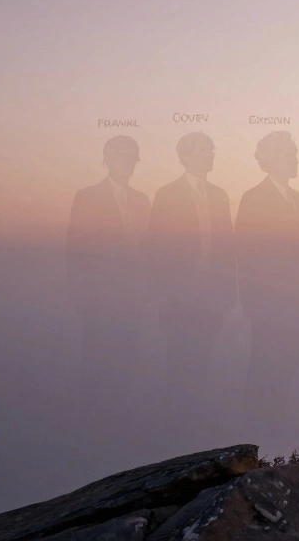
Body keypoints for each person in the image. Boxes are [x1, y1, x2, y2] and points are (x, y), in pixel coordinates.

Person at [146, 132, 235, 430]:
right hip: (180, 299)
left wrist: (228, 292)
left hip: (211, 298)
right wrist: (167, 293)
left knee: (203, 360)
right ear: (184, 157)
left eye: (212, 149)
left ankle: (193, 421)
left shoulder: (220, 195)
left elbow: (227, 246)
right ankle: (174, 422)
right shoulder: (167, 194)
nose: (210, 154)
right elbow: (157, 245)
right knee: (179, 361)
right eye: (203, 150)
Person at [65, 135, 151, 426]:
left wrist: (146, 290)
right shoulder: (87, 197)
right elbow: (76, 249)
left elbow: (148, 249)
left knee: (127, 358)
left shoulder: (142, 201)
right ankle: (91, 419)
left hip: (132, 299)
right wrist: (81, 295)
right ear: (107, 160)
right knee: (96, 359)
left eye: (132, 156)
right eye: (122, 155)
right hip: (99, 299)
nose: (129, 162)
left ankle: (117, 418)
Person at [235, 131, 299, 438]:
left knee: (289, 362)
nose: (296, 160)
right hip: (267, 302)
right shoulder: (253, 198)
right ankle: (253, 433)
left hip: (295, 301)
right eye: (289, 154)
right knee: (264, 366)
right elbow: (246, 252)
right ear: (270, 160)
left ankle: (275, 428)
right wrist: (253, 301)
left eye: (296, 154)